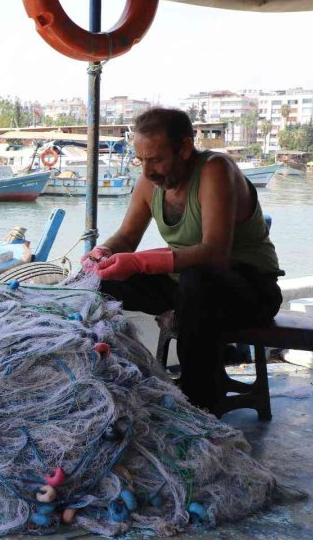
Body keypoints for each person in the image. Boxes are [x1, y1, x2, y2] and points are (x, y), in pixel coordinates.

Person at [83, 107, 282, 414]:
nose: (147, 171)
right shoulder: (149, 182)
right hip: (189, 288)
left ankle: (199, 405)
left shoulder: (216, 169)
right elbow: (125, 238)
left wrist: (138, 263)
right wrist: (103, 253)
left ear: (186, 148)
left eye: (157, 159)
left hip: (250, 290)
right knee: (104, 279)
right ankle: (109, 379)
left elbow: (215, 253)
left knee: (197, 278)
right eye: (141, 160)